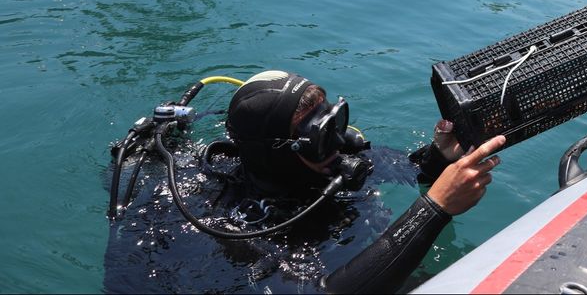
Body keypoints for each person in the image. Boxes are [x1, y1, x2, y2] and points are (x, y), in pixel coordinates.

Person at [104, 70, 504, 293]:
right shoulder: (231, 228)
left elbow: (413, 172)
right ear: (281, 151)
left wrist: (440, 158)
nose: (342, 140)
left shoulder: (331, 159)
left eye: (334, 120)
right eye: (320, 132)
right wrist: (432, 210)